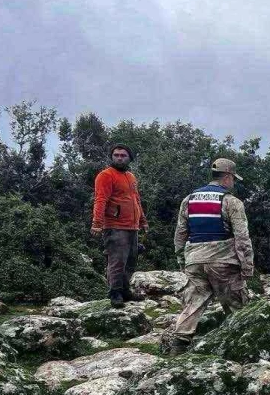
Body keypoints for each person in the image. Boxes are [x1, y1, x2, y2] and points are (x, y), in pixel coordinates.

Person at [162, 158, 254, 353]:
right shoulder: (231, 202)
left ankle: (178, 345)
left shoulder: (189, 199)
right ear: (228, 177)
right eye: (233, 179)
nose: (233, 183)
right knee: (237, 306)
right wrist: (247, 267)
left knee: (193, 303)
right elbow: (242, 238)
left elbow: (180, 234)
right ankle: (242, 349)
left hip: (194, 259)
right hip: (223, 261)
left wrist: (182, 260)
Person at [91, 144, 148, 307]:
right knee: (116, 261)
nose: (119, 158)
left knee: (130, 261)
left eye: (123, 155)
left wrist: (143, 221)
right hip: (115, 226)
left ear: (129, 158)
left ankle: (125, 291)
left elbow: (136, 200)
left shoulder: (131, 176)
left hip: (132, 226)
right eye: (116, 155)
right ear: (112, 157)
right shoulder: (105, 175)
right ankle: (114, 293)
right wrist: (97, 223)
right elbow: (100, 200)